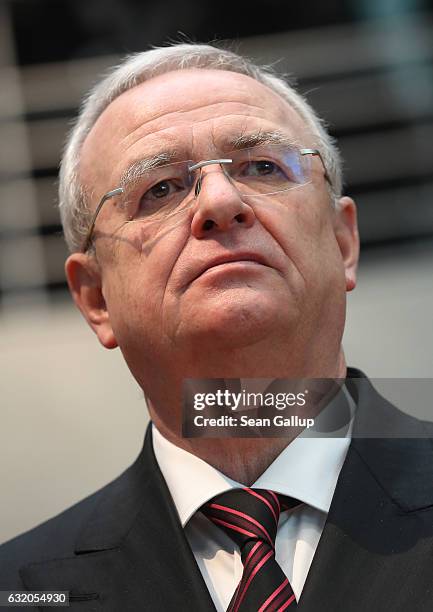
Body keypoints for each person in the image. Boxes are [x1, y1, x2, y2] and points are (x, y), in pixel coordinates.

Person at [1, 43, 433, 611]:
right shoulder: (21, 590)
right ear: (95, 298)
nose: (223, 202)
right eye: (161, 189)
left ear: (343, 242)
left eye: (262, 167)